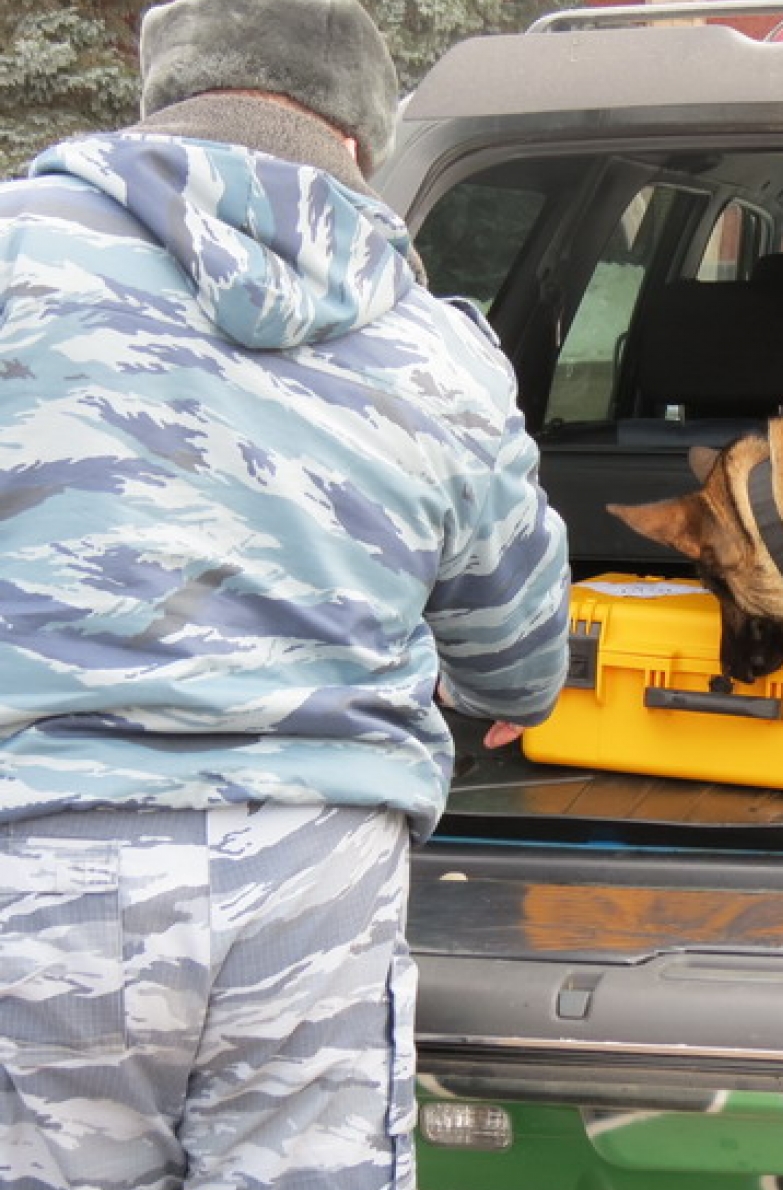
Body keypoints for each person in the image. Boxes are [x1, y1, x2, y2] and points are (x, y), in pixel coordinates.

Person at [0, 1, 571, 1187]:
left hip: (35, 862)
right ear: (361, 139)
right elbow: (520, 663)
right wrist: (483, 687)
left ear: (162, 94)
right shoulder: (438, 350)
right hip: (313, 879)